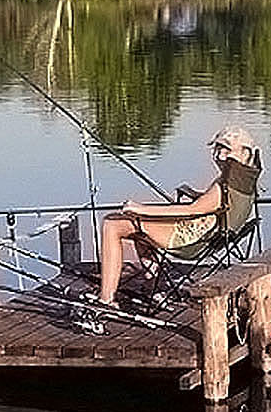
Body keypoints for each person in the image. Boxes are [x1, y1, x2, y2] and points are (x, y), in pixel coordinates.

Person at [94, 126, 260, 307]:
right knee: (138, 229)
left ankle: (106, 299)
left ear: (244, 153)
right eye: (218, 148)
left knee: (113, 223)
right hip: (210, 236)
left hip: (191, 240)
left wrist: (140, 209)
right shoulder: (243, 180)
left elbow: (191, 210)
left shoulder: (225, 185)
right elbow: (214, 205)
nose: (219, 155)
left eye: (226, 149)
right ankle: (154, 287)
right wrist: (195, 194)